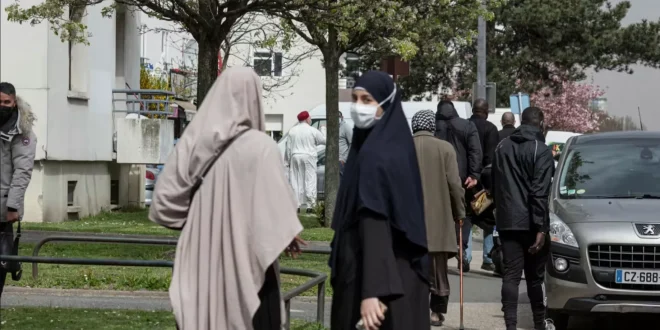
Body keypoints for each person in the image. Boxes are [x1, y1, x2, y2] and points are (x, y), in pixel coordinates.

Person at [149, 68, 305, 330]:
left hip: (199, 268)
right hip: (249, 273)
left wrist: (201, 223)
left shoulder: (192, 142)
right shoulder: (262, 147)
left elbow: (163, 205)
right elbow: (278, 216)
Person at [329, 71, 430, 330]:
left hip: (378, 281)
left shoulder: (376, 155)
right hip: (399, 278)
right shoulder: (391, 146)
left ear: (386, 104)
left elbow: (374, 221)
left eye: (367, 100)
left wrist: (373, 290)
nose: (358, 107)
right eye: (355, 99)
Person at [491, 106, 555, 330]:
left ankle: (510, 325)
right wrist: (541, 228)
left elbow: (494, 181)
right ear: (542, 123)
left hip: (508, 220)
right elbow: (539, 192)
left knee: (510, 275)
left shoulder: (502, 146)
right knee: (534, 278)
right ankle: (539, 324)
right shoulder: (542, 150)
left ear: (521, 121)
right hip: (531, 222)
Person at [411, 110, 465, 327]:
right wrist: (459, 213)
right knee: (438, 272)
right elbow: (454, 185)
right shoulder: (445, 148)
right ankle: (435, 312)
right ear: (432, 126)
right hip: (438, 222)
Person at [434, 100, 482, 272]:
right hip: (462, 177)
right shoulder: (467, 126)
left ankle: (442, 251)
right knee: (465, 214)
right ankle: (460, 244)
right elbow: (475, 150)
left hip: (438, 178)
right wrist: (474, 174)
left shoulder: (434, 125)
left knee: (441, 213)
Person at [0, 82, 37, 298]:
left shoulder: (22, 132)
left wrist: (13, 205)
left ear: (14, 103)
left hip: (3, 211)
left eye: (6, 102)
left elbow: (22, 172)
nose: (3, 106)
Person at [464, 99, 500, 272]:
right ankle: (487, 257)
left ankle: (466, 256)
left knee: (466, 217)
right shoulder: (491, 129)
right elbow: (490, 159)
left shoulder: (464, 126)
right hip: (484, 182)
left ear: (473, 110)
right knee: (488, 218)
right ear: (486, 111)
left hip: (466, 180)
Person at [285, 110, 326, 211]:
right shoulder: (312, 130)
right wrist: (323, 129)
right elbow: (324, 141)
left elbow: (288, 148)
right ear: (307, 119)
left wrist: (287, 161)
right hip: (308, 156)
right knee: (310, 180)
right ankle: (310, 205)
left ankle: (297, 204)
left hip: (295, 155)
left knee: (295, 180)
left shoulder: (292, 130)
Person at [338, 111, 352, 176]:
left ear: (342, 117)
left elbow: (352, 143)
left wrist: (344, 159)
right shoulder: (333, 128)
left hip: (342, 161)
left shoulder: (346, 127)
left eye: (338, 116)